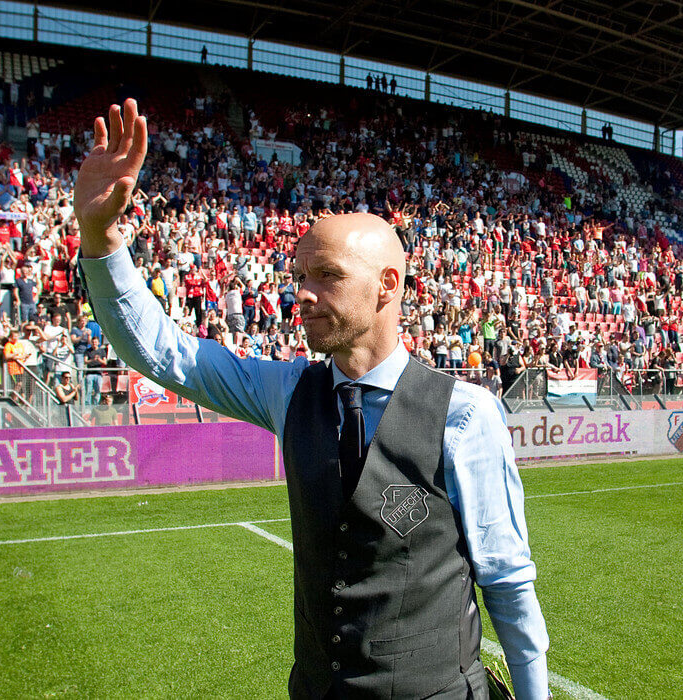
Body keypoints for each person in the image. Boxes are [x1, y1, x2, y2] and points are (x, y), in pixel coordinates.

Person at [74, 100, 549, 699]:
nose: (301, 293)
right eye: (299, 275)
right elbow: (163, 353)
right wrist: (100, 237)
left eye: (326, 275)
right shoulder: (288, 390)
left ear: (388, 286)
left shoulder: (464, 414)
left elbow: (506, 582)